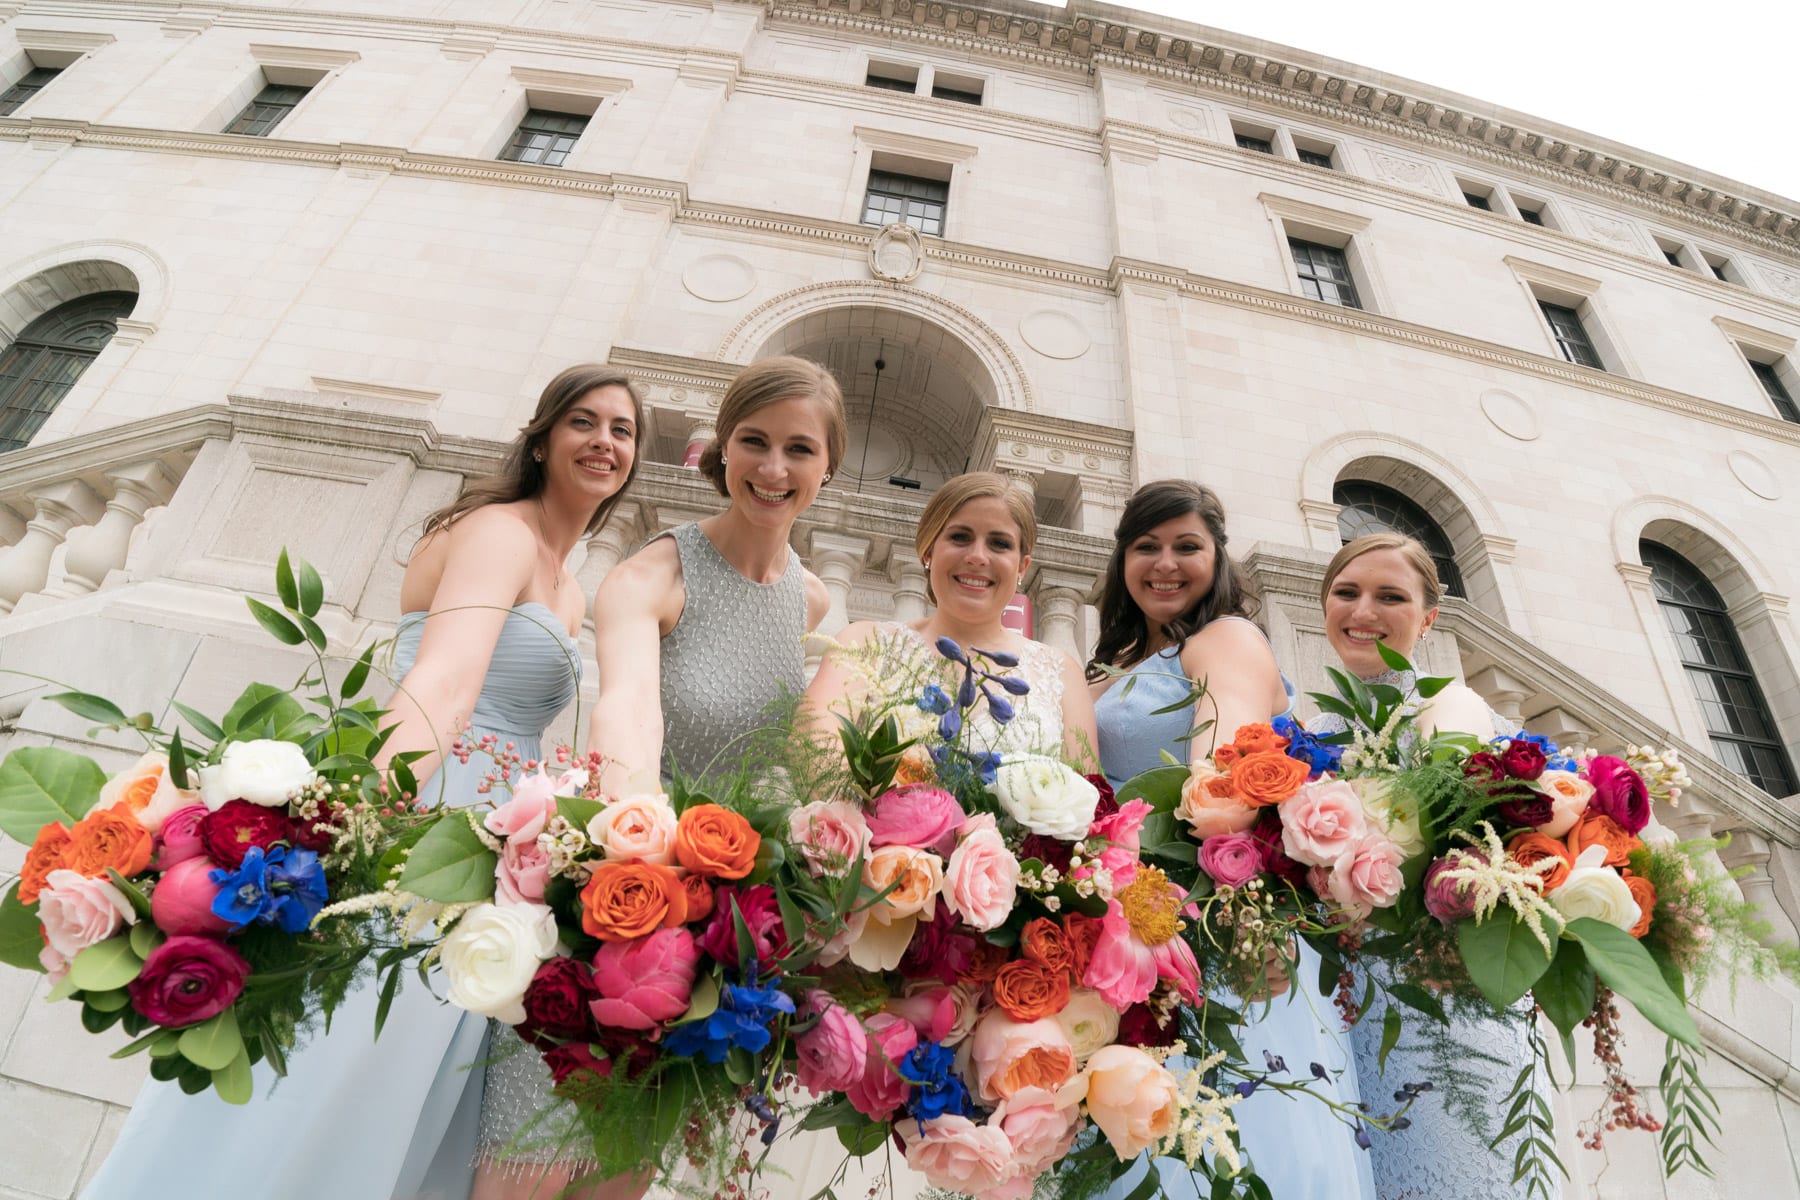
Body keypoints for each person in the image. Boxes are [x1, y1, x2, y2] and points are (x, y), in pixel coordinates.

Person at [84, 365, 645, 1200]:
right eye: (584, 422)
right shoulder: (500, 531)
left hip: (496, 852)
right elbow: (445, 682)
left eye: (623, 431)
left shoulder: (569, 580)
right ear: (541, 436)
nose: (604, 442)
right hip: (430, 818)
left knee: (404, 1080)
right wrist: (363, 825)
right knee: (341, 1058)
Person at [472, 356, 843, 1199]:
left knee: (621, 1179)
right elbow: (627, 715)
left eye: (799, 450)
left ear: (829, 467)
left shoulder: (814, 605)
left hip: (719, 949)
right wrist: (643, 859)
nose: (773, 469)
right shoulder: (654, 572)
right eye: (754, 442)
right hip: (608, 905)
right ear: (722, 450)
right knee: (523, 1167)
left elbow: (807, 768)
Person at [780, 470, 1099, 1198]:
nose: (977, 557)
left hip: (1008, 975)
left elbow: (1087, 815)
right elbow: (815, 765)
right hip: (880, 945)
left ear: (1025, 566)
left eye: (1000, 543)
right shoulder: (868, 641)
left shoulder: (1056, 671)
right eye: (960, 536)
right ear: (927, 548)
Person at [1086, 480, 1374, 1200]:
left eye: (1188, 547)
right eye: (1146, 546)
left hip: (1209, 920)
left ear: (1219, 560)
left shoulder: (1228, 638)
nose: (1165, 564)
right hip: (1115, 925)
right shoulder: (1110, 669)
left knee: (1208, 1140)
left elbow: (1230, 775)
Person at [1306, 531, 1530, 1200]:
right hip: (1348, 1001)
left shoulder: (1453, 711)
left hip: (1441, 994)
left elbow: (1473, 846)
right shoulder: (1311, 732)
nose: (1363, 611)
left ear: (1429, 618)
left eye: (1390, 596)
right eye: (1346, 593)